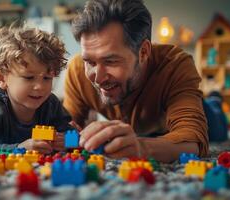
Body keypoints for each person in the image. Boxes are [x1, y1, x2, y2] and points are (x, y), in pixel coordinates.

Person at [63, 0, 208, 162]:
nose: (97, 78)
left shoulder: (175, 65)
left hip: (172, 122)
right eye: (90, 62)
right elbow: (66, 128)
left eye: (111, 61)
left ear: (144, 52)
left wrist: (140, 148)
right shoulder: (76, 70)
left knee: (214, 122)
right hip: (146, 128)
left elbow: (193, 143)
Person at [0, 23, 71, 154]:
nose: (40, 87)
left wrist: (68, 142)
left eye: (47, 78)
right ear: (2, 78)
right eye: (29, 77)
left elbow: (74, 135)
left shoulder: (51, 103)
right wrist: (17, 149)